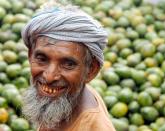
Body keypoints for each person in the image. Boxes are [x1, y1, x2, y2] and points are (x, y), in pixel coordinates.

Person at [21, 3, 116, 131]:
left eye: (68, 64)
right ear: (30, 55)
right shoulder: (67, 98)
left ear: (91, 70)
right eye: (42, 59)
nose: (49, 77)